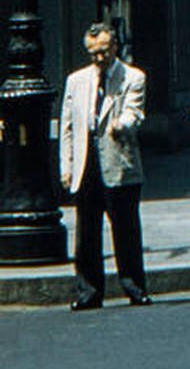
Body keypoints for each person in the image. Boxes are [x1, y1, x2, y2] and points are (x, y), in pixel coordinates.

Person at [59, 22, 150, 310]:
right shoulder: (76, 80)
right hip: (86, 165)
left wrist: (121, 125)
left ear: (115, 47)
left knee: (126, 230)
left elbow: (134, 112)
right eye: (93, 53)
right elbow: (68, 127)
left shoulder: (132, 77)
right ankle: (88, 292)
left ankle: (134, 287)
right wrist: (67, 166)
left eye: (104, 51)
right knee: (86, 232)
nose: (99, 58)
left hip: (118, 163)